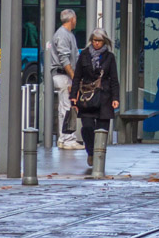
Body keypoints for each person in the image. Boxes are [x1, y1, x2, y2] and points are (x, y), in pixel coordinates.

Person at [72, 28, 120, 167]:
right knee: (87, 128)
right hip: (87, 98)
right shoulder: (84, 55)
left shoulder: (109, 57)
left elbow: (114, 80)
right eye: (94, 40)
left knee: (102, 131)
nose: (96, 43)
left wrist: (115, 98)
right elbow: (77, 77)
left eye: (99, 41)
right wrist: (73, 96)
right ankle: (91, 152)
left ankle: (99, 158)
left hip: (104, 98)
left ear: (104, 41)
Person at [50, 9, 82, 149]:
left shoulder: (65, 34)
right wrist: (74, 77)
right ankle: (68, 139)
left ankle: (63, 138)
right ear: (72, 19)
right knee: (68, 107)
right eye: (75, 18)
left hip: (62, 75)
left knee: (64, 107)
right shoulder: (63, 35)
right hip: (64, 75)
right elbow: (65, 58)